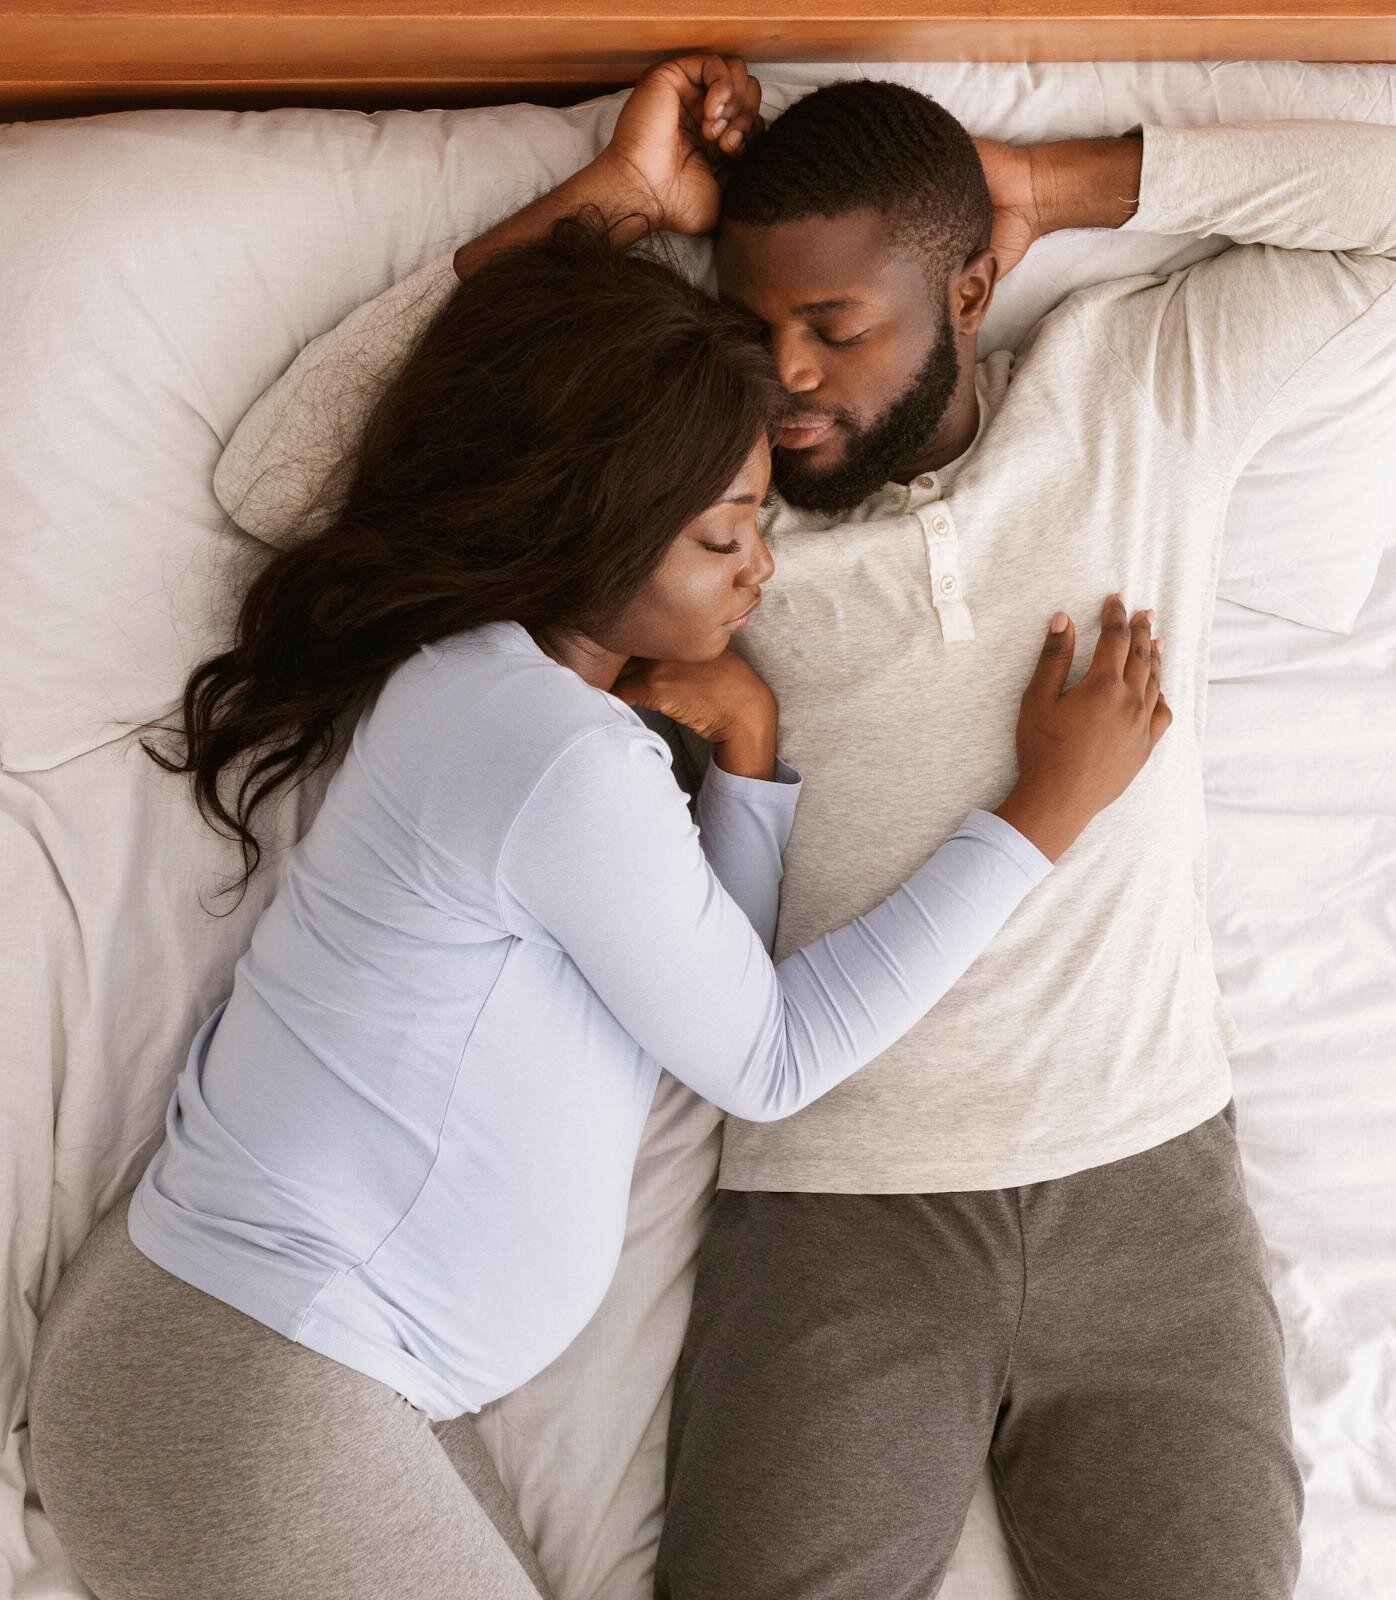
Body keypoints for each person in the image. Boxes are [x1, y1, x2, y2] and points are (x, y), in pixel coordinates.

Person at [202, 55, 1396, 1598]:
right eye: (759, 325)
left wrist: (1041, 183)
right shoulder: (698, 531)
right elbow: (286, 472)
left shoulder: (1143, 389)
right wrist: (616, 208)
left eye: (836, 329)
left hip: (1144, 1177)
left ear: (968, 289)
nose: (790, 376)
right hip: (836, 1211)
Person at [23, 180, 1170, 1597]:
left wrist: (745, 765)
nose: (761, 566)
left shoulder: (514, 711)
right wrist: (1045, 813)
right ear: (588, 525)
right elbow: (769, 1056)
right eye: (723, 535)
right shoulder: (545, 749)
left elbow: (702, 1010)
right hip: (260, 1371)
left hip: (289, 1370)